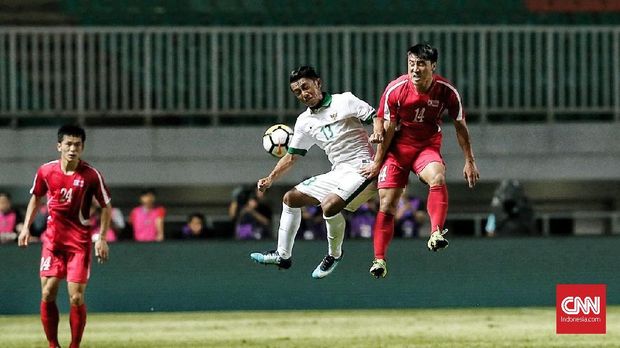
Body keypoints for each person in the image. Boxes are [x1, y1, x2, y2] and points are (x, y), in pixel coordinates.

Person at [360, 43, 480, 278]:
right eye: (411, 64)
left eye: (421, 64)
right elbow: (387, 125)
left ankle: (436, 232)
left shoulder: (447, 91)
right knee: (387, 204)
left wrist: (469, 160)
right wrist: (377, 161)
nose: (415, 69)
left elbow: (460, 126)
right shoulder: (396, 89)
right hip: (396, 150)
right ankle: (379, 260)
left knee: (437, 176)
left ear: (433, 66)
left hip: (426, 147)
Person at [250, 65, 377, 279]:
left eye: (305, 87)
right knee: (290, 198)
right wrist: (270, 178)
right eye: (297, 92)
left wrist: (380, 155)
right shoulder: (304, 122)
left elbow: (378, 119)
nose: (303, 94)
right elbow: (291, 156)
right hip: (338, 171)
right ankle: (283, 255)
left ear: (318, 82)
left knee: (329, 205)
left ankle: (334, 254)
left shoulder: (344, 100)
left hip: (362, 166)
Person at [17, 124, 112, 348]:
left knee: (76, 297)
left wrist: (103, 237)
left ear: (82, 148)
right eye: (68, 144)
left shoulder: (91, 175)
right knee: (48, 292)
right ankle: (53, 344)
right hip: (53, 242)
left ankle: (74, 346)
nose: (72, 149)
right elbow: (36, 197)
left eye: (77, 145)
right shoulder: (46, 171)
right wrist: (25, 228)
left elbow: (106, 206)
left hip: (79, 244)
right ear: (59, 145)